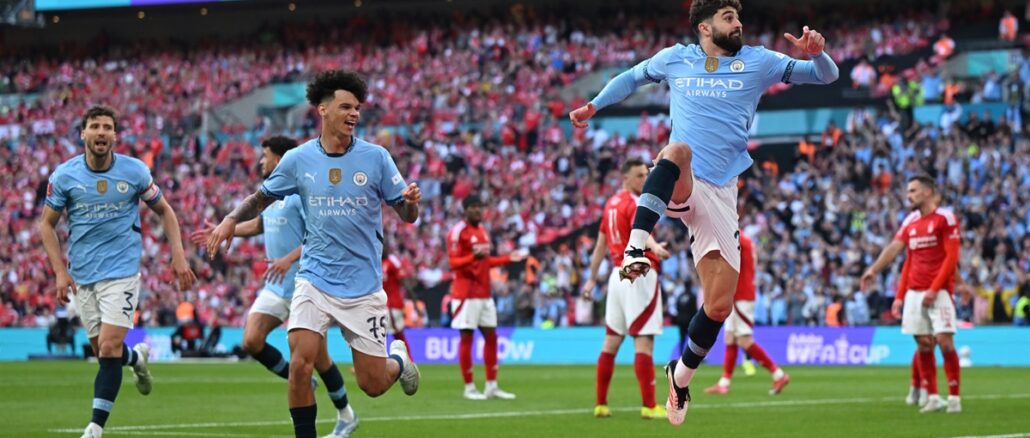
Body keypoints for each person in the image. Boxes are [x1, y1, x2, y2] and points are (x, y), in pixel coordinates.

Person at [569, 0, 838, 426]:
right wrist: (593, 106)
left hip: (722, 194)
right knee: (675, 150)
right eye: (729, 17)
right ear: (704, 26)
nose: (739, 23)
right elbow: (631, 78)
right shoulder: (676, 58)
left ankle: (679, 376)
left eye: (738, 16)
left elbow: (826, 76)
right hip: (684, 178)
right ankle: (635, 249)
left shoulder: (759, 62)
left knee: (718, 307)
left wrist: (817, 52)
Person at [206, 70, 421, 438]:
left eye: (357, 108)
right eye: (345, 106)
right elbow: (261, 198)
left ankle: (398, 358)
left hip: (363, 287)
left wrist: (411, 205)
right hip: (314, 280)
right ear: (322, 109)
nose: (354, 114)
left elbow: (406, 214)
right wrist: (229, 220)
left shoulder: (377, 158)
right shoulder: (298, 159)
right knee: (301, 365)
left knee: (372, 384)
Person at [39, 105, 197, 438]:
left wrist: (178, 256)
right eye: (94, 126)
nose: (100, 132)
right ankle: (136, 358)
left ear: (115, 135)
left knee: (108, 349)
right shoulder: (64, 176)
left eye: (107, 127)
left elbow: (165, 212)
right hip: (82, 275)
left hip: (122, 271)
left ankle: (95, 428)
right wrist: (59, 272)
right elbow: (46, 226)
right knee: (104, 354)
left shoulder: (134, 171)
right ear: (83, 133)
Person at [191, 136, 357, 437]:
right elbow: (258, 225)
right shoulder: (269, 195)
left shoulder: (302, 193)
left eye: (265, 156)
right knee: (251, 340)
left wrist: (287, 259)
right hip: (277, 285)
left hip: (307, 284)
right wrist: (223, 229)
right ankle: (306, 383)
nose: (260, 162)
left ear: (280, 159)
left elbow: (319, 234)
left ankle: (346, 414)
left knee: (318, 358)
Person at [860, 176, 962, 414]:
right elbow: (894, 249)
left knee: (945, 343)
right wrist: (873, 270)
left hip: (939, 292)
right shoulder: (910, 222)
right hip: (914, 293)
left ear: (927, 192)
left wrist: (935, 289)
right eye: (908, 191)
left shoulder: (945, 218)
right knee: (924, 345)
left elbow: (951, 258)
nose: (908, 195)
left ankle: (955, 398)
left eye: (913, 191)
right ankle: (933, 396)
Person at [581, 158, 669, 419]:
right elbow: (641, 231)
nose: (645, 179)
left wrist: (591, 279)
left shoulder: (610, 204)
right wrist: (656, 248)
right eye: (640, 176)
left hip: (615, 276)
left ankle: (601, 404)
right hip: (639, 273)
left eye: (645, 174)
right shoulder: (633, 202)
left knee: (611, 341)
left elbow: (600, 246)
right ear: (625, 179)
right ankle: (649, 405)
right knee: (644, 341)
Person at [446, 194, 527, 400]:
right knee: (467, 338)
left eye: (480, 207)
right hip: (466, 294)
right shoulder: (458, 232)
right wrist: (473, 257)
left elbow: (485, 262)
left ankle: (491, 385)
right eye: (473, 207)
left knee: (492, 337)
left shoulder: (482, 231)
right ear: (465, 210)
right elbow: (453, 263)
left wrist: (508, 258)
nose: (478, 211)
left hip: (484, 292)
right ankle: (469, 388)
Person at [704, 231, 789, 395]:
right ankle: (724, 382)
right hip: (738, 293)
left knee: (744, 340)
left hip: (741, 294)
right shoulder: (745, 239)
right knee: (730, 337)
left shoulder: (736, 238)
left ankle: (778, 374)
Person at [383, 242, 413, 357]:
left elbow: (403, 281)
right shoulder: (377, 261)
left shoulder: (392, 261)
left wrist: (414, 302)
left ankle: (409, 361)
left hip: (392, 304)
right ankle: (376, 364)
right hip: (382, 304)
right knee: (381, 335)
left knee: (397, 335)